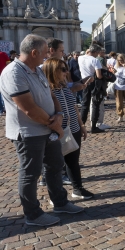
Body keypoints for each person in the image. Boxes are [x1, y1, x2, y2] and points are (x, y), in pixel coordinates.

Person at [0, 34, 84, 226]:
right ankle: (33, 214)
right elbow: (28, 108)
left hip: (47, 130)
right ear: (34, 52)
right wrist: (52, 123)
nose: (47, 56)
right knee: (30, 172)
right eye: (45, 52)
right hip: (28, 133)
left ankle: (60, 202)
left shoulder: (37, 70)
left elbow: (51, 94)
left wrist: (60, 114)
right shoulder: (13, 72)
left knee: (55, 165)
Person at [42, 58, 93, 199]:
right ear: (53, 71)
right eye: (63, 69)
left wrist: (81, 126)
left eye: (66, 68)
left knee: (73, 161)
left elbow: (73, 107)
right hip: (57, 131)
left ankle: (77, 188)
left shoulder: (64, 86)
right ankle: (56, 197)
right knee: (55, 165)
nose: (66, 72)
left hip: (74, 128)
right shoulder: (47, 89)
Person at [78, 44, 104, 133]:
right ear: (96, 52)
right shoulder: (95, 60)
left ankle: (82, 125)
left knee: (85, 105)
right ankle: (93, 127)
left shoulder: (80, 58)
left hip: (84, 82)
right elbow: (99, 75)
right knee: (95, 104)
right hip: (93, 83)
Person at [0, 50, 9, 115]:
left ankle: (1, 110)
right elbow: (9, 64)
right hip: (4, 75)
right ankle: (6, 108)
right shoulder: (3, 54)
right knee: (5, 92)